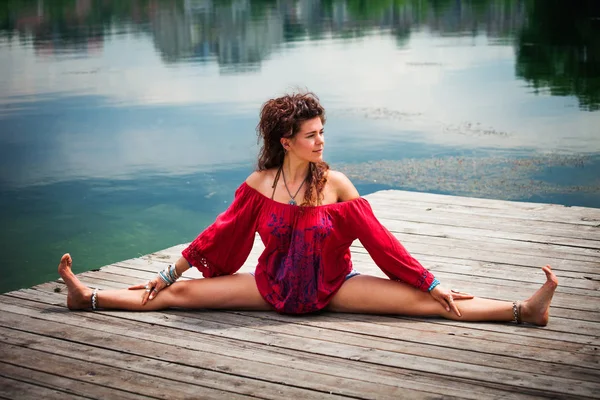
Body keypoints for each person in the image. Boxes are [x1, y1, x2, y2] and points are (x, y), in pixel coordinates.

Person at [58, 91, 558, 326]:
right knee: (177, 296)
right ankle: (88, 298)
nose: (321, 141)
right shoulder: (258, 185)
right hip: (270, 286)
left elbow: (381, 242)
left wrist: (429, 280)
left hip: (335, 287)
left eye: (323, 132)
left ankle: (524, 310)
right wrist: (167, 273)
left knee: (437, 305)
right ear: (287, 141)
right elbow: (216, 236)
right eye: (311, 135)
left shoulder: (337, 184)